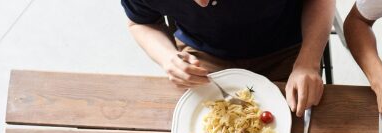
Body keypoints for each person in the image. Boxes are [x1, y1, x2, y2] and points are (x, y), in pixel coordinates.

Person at [121, 0, 335, 116]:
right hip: (203, 54)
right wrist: (167, 57)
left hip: (286, 47)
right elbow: (139, 22)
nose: (203, 2)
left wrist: (308, 62)